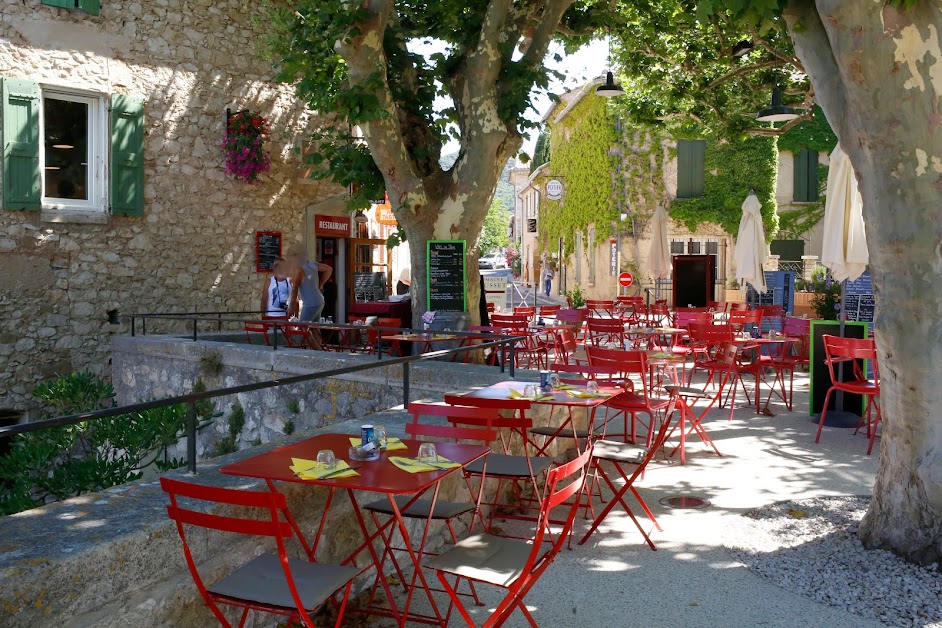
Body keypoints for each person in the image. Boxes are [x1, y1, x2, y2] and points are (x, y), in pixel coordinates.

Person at [286, 242, 332, 322]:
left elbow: (295, 289)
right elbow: (329, 269)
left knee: (303, 329)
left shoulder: (299, 269)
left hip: (310, 304)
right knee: (314, 329)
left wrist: (291, 306)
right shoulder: (312, 264)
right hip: (320, 301)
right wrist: (320, 285)